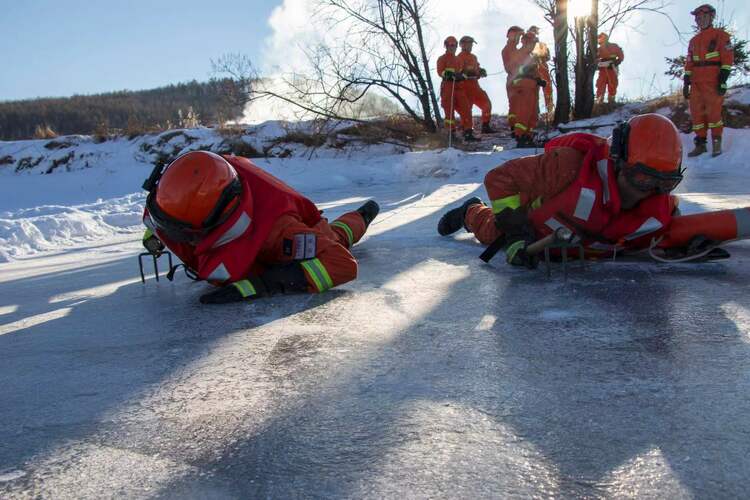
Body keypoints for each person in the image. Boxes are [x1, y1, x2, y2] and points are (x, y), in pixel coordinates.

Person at [437, 114, 684, 268]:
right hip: (532, 221)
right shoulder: (567, 165)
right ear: (618, 161)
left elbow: (678, 225)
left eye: (664, 184)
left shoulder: (658, 205)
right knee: (491, 231)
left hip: (570, 242)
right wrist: (516, 232)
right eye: (642, 179)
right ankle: (470, 210)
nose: (649, 192)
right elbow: (499, 178)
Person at [140, 151, 380, 303]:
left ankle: (361, 217)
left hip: (299, 223)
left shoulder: (277, 234)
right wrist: (155, 235)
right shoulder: (202, 176)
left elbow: (341, 264)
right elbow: (172, 214)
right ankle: (359, 217)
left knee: (335, 238)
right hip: (270, 210)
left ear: (210, 226)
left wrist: (264, 284)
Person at [683, 3, 734, 157]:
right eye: (698, 18)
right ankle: (700, 144)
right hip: (696, 82)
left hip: (713, 80)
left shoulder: (722, 35)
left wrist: (723, 79)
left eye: (704, 16)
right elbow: (689, 62)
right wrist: (686, 81)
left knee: (713, 113)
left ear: (711, 17)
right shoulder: (693, 41)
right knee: (696, 113)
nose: (700, 20)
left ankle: (716, 143)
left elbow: (727, 58)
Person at [507, 31, 546, 147]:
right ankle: (520, 136)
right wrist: (528, 74)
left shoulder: (530, 56)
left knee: (532, 113)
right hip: (523, 86)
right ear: (526, 42)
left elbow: (534, 72)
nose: (534, 45)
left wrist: (539, 79)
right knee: (524, 112)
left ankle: (528, 135)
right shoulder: (519, 54)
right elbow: (515, 69)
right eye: (533, 42)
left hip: (532, 86)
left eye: (535, 42)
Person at [456, 35, 494, 140]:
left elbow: (477, 68)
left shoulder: (473, 57)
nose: (471, 45)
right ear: (462, 45)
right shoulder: (459, 57)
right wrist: (466, 72)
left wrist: (481, 71)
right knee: (467, 110)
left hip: (475, 86)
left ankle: (485, 125)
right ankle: (467, 131)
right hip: (465, 87)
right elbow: (459, 71)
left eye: (471, 43)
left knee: (486, 104)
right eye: (469, 43)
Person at [437, 36, 471, 139]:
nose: (453, 47)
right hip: (448, 87)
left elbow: (464, 72)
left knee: (466, 109)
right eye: (451, 45)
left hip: (459, 87)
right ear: (446, 46)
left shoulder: (458, 60)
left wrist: (462, 76)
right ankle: (451, 133)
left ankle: (468, 132)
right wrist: (447, 74)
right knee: (449, 111)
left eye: (455, 45)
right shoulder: (442, 58)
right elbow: (440, 71)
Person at [502, 26, 524, 135]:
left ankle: (517, 128)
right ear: (512, 35)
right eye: (518, 35)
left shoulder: (516, 49)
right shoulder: (508, 49)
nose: (519, 38)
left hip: (520, 80)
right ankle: (513, 128)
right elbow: (509, 67)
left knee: (520, 104)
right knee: (515, 104)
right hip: (513, 80)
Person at [528, 25, 554, 115]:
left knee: (547, 88)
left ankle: (550, 110)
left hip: (542, 67)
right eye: (532, 32)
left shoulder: (542, 45)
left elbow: (548, 56)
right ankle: (536, 113)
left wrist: (540, 56)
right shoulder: (526, 45)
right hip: (531, 69)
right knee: (533, 90)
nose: (534, 34)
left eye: (535, 32)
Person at [595, 33, 625, 104]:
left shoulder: (614, 46)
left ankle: (611, 100)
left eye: (601, 38)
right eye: (599, 39)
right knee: (600, 83)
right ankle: (599, 101)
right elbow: (595, 59)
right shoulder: (598, 50)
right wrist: (597, 65)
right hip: (602, 68)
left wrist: (617, 62)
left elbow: (620, 55)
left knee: (613, 83)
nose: (600, 40)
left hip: (612, 66)